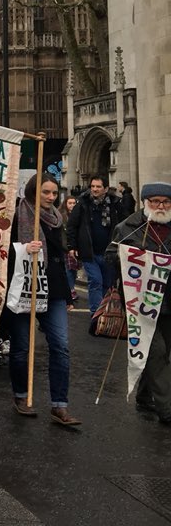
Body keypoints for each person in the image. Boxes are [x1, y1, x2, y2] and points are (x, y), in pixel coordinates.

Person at [9, 174, 81, 426]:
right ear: (33, 191)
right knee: (22, 349)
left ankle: (60, 405)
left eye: (54, 193)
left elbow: (59, 256)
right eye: (46, 192)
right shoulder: (17, 215)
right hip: (25, 289)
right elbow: (2, 250)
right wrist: (22, 249)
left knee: (60, 346)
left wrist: (68, 293)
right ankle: (21, 395)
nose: (51, 197)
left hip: (54, 290)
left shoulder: (57, 219)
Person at [106, 181, 171, 426]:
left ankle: (145, 396)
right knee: (158, 352)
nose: (160, 206)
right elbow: (110, 256)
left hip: (168, 301)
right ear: (145, 203)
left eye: (165, 202)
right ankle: (167, 409)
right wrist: (134, 258)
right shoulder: (128, 228)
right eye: (155, 201)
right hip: (140, 304)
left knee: (163, 351)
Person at [67, 175, 123, 320]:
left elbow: (123, 225)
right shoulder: (83, 203)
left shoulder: (115, 204)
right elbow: (72, 225)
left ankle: (104, 312)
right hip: (89, 251)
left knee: (107, 283)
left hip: (109, 252)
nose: (95, 189)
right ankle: (96, 315)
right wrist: (72, 246)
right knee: (95, 281)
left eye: (98, 187)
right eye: (92, 186)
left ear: (105, 188)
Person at [59, 195, 80, 305]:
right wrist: (66, 246)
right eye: (70, 203)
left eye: (74, 203)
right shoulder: (62, 216)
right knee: (69, 270)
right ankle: (70, 290)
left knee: (73, 270)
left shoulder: (79, 215)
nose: (72, 205)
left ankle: (70, 288)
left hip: (76, 247)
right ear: (65, 204)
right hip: (66, 248)